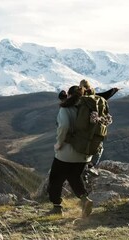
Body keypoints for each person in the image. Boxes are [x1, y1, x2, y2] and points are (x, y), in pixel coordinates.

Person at [47, 85, 93, 217]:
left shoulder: (65, 109)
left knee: (55, 179)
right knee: (74, 177)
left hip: (66, 153)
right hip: (84, 153)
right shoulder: (87, 108)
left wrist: (59, 144)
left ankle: (57, 207)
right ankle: (85, 200)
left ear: (69, 95)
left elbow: (64, 126)